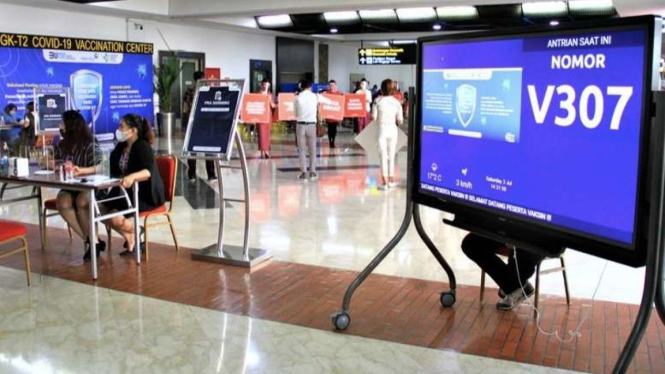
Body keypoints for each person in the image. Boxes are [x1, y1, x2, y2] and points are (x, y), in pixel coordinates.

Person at [100, 114, 165, 256]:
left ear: (133, 130)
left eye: (122, 127)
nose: (119, 130)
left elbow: (148, 171)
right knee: (98, 209)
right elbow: (107, 166)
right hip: (124, 191)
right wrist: (84, 170)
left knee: (113, 217)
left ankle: (136, 230)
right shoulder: (122, 147)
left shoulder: (142, 146)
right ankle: (131, 236)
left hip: (144, 193)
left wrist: (132, 177)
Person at [54, 110, 106, 262]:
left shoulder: (90, 143)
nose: (60, 125)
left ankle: (93, 241)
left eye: (62, 122)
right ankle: (91, 240)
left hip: (91, 185)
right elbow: (56, 161)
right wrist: (52, 163)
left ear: (70, 125)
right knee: (62, 202)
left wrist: (82, 170)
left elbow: (102, 166)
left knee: (82, 200)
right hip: (71, 185)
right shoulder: (63, 145)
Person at [461, 233, 546, 310]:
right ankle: (515, 285)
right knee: (470, 243)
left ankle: (514, 285)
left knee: (523, 251)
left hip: (539, 238)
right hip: (509, 231)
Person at [183, 71, 216, 182]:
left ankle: (192, 174)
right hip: (205, 123)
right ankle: (211, 175)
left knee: (192, 149)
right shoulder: (208, 91)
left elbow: (185, 108)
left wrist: (186, 123)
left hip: (193, 123)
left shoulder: (189, 91)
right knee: (209, 149)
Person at [372, 79, 404, 190]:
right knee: (392, 155)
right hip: (392, 129)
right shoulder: (396, 103)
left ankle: (384, 182)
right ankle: (391, 180)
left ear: (381, 88)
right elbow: (400, 121)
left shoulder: (377, 101)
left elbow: (374, 118)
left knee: (383, 155)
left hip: (381, 129)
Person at [294, 80, 319, 181]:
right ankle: (312, 172)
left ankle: (303, 172)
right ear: (310, 87)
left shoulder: (297, 98)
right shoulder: (315, 96)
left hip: (300, 125)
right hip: (312, 125)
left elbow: (295, 113)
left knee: (302, 150)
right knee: (312, 150)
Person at [257, 78, 276, 159]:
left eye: (266, 84)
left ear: (269, 85)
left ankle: (266, 150)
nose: (265, 85)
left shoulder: (270, 95)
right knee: (261, 134)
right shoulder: (258, 94)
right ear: (261, 85)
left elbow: (273, 105)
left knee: (267, 134)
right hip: (261, 116)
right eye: (263, 84)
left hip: (268, 116)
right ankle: (263, 151)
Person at [325, 80, 343, 149]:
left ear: (335, 85)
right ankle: (330, 141)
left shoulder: (339, 94)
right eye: (330, 85)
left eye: (333, 85)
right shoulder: (326, 93)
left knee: (334, 129)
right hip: (329, 115)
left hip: (335, 115)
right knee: (330, 129)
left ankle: (333, 140)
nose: (331, 86)